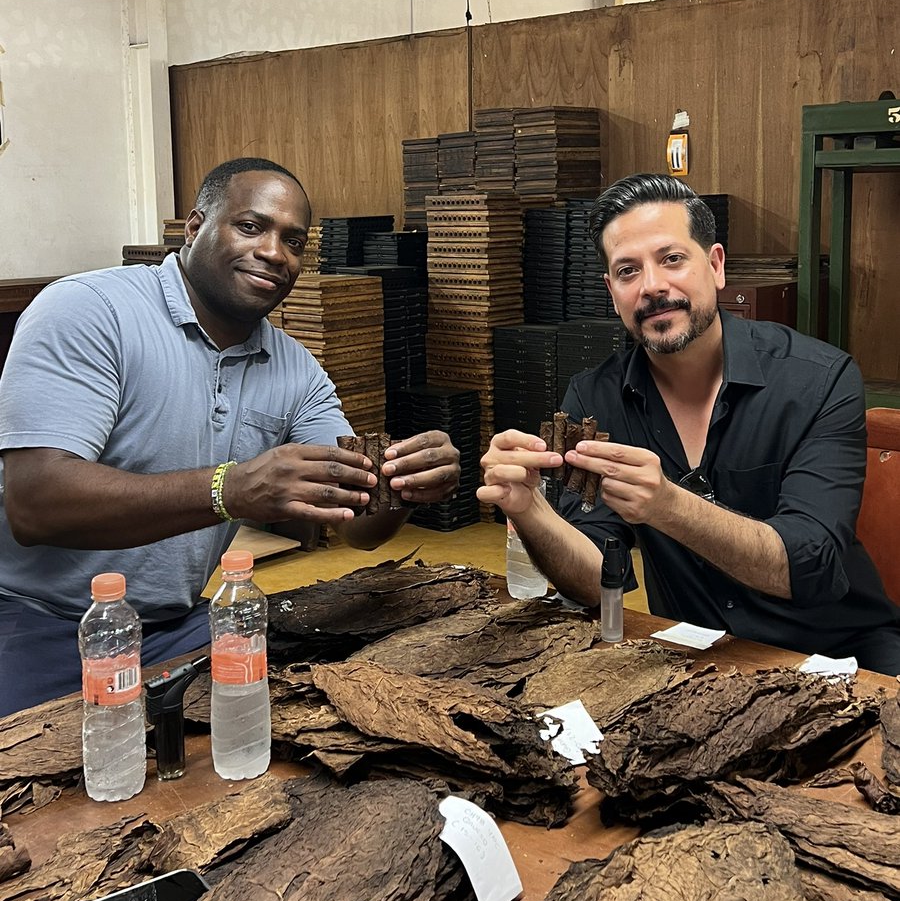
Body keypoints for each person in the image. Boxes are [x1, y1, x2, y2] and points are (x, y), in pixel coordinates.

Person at [0, 158, 460, 716]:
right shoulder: (90, 311)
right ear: (194, 228)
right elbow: (35, 503)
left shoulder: (296, 370)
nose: (274, 252)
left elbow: (360, 529)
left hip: (174, 624)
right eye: (250, 227)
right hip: (31, 621)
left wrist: (405, 487)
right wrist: (228, 490)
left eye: (293, 241)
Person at [479, 172, 900, 675]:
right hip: (698, 658)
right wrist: (529, 511)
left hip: (841, 655)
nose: (653, 286)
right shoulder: (595, 398)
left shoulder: (819, 381)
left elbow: (810, 566)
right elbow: (595, 577)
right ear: (612, 291)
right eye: (628, 270)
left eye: (672, 259)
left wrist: (668, 505)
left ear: (716, 265)